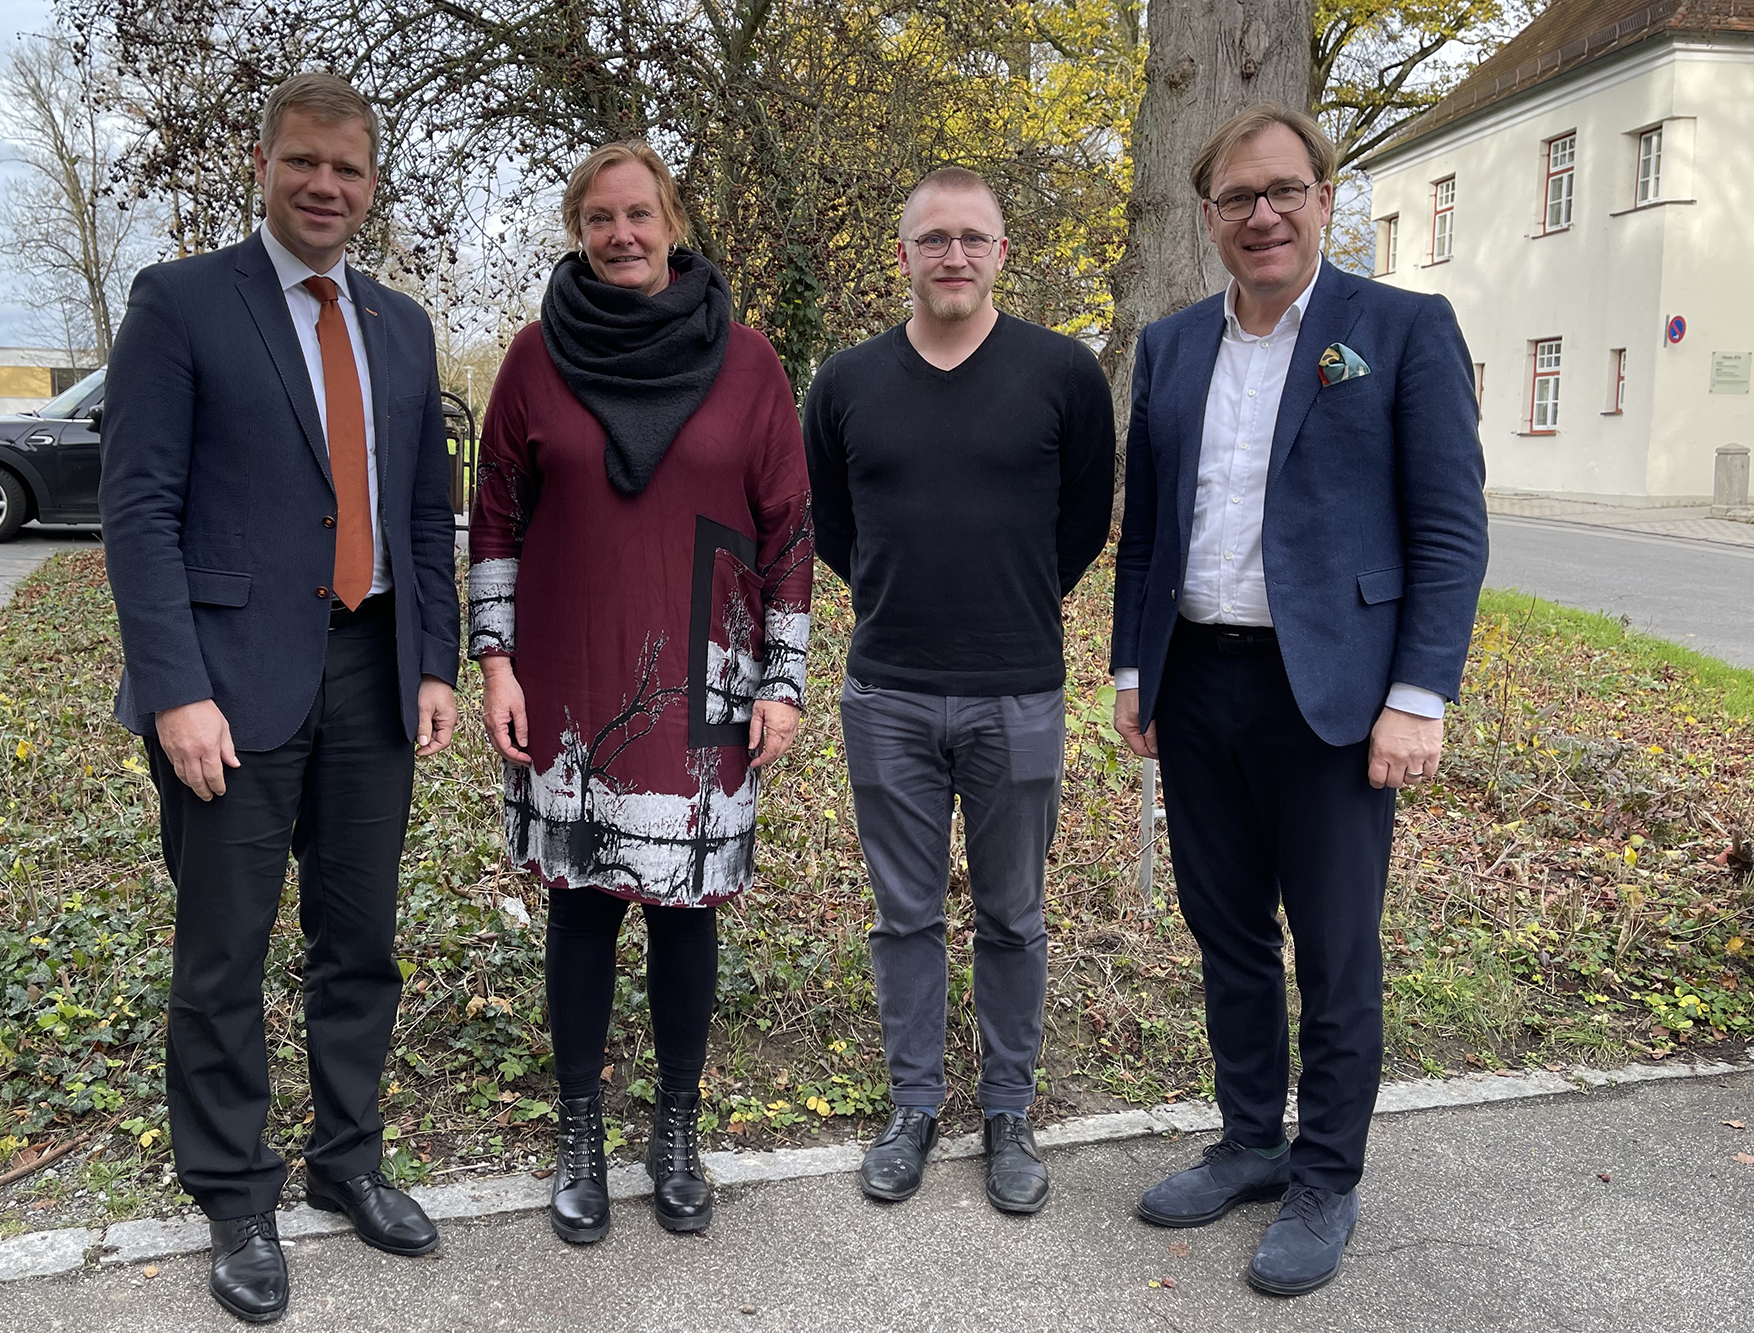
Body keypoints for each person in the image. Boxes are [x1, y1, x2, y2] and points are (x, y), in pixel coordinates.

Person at [1111, 104, 1487, 1297]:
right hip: (1199, 681)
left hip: (1332, 700)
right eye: (1235, 197)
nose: (1260, 214)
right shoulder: (1169, 348)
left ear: (1326, 199)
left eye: (1283, 190)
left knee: (1332, 952)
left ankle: (1325, 1173)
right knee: (1224, 934)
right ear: (1208, 216)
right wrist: (1134, 668)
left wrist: (1417, 695)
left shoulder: (1400, 329)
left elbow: (1447, 531)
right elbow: (1148, 530)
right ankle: (1250, 1141)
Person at [101, 73, 459, 1323]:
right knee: (224, 952)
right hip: (228, 687)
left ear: (371, 186)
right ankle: (236, 1190)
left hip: (373, 667)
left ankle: (347, 1157)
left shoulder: (402, 326)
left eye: (348, 170)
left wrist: (434, 661)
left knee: (359, 939)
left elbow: (423, 514)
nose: (325, 187)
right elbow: (136, 508)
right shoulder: (182, 302)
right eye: (304, 163)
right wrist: (172, 689)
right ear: (263, 165)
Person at [468, 140, 813, 1245]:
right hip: (567, 685)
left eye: (639, 214)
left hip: (707, 679)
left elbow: (788, 533)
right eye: (599, 218)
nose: (621, 235)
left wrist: (785, 680)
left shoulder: (748, 362)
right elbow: (494, 522)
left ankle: (674, 1128)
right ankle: (579, 1132)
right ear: (578, 228)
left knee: (683, 915)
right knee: (578, 905)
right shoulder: (532, 359)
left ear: (672, 222)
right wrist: (493, 661)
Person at [804, 167, 1116, 1216]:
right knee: (902, 918)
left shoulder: (1062, 375)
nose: (951, 255)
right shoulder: (844, 384)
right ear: (901, 255)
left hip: (1015, 692)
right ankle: (911, 1107)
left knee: (1013, 918)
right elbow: (835, 528)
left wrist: (1006, 600)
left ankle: (1006, 1114)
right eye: (931, 238)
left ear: (999, 254)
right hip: (886, 692)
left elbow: (1078, 526)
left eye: (971, 238)